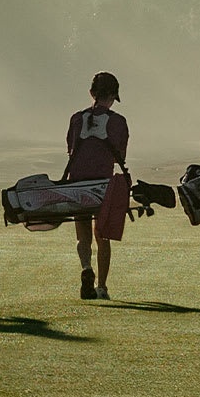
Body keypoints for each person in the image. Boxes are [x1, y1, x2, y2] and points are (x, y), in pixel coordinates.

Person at [63, 72, 132, 300]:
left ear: (92, 93)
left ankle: (86, 267)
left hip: (77, 184)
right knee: (103, 237)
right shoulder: (118, 122)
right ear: (112, 96)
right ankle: (101, 287)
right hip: (103, 186)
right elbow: (120, 155)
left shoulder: (76, 119)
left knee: (83, 235)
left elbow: (71, 148)